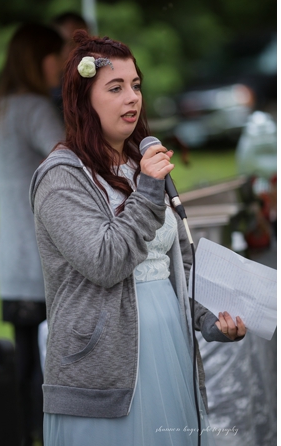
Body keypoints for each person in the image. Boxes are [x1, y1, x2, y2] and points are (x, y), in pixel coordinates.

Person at [30, 30, 247, 445]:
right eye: (115, 88)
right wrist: (148, 188)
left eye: (136, 85)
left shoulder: (141, 164)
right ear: (83, 101)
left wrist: (209, 322)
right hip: (102, 365)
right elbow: (106, 261)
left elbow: (178, 264)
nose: (132, 98)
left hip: (167, 343)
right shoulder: (59, 177)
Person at [0, 22, 65, 445]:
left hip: (12, 259)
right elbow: (70, 157)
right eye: (58, 56)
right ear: (40, 59)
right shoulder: (33, 107)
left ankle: (27, 434)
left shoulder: (6, 107)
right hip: (39, 260)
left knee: (27, 363)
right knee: (48, 368)